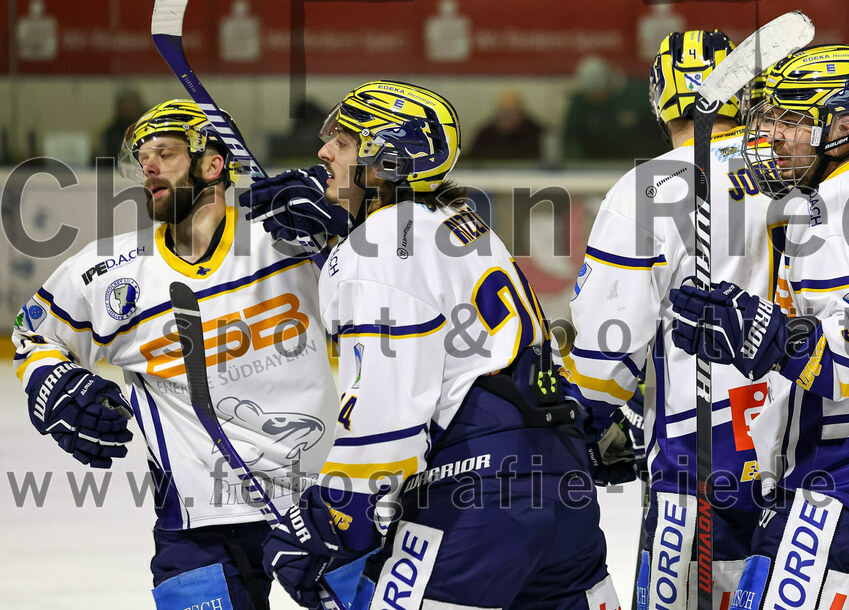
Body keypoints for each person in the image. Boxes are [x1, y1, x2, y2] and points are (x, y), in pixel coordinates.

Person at [251, 80, 620, 609]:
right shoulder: (461, 222)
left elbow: (387, 404)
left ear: (384, 156)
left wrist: (337, 514)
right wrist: (340, 235)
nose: (323, 151)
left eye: (344, 142)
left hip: (478, 498)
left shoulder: (375, 248)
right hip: (562, 482)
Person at [12, 99, 341, 610]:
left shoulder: (289, 237)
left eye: (164, 152)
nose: (148, 166)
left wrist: (344, 226)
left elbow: (399, 293)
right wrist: (50, 383)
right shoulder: (111, 272)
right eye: (142, 157)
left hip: (324, 502)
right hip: (197, 524)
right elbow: (33, 335)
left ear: (213, 164)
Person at [673, 45, 849, 608]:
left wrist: (767, 335)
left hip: (846, 482)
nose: (771, 135)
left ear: (846, 125)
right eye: (768, 117)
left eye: (792, 120)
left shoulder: (833, 206)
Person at [562, 30, 776, 608]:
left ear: (661, 99)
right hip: (800, 451)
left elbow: (613, 332)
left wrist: (587, 419)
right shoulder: (800, 169)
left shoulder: (652, 186)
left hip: (700, 446)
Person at [562, 55, 663, 162]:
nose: (597, 97)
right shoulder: (579, 106)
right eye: (592, 94)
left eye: (599, 92)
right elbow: (571, 140)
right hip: (592, 164)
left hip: (625, 162)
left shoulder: (632, 100)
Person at [466, 89, 544, 161]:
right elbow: (471, 162)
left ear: (521, 112)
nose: (507, 116)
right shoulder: (485, 136)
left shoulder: (538, 135)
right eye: (504, 112)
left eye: (512, 111)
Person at [96, 86, 143, 160]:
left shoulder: (147, 129)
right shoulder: (112, 133)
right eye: (125, 107)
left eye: (132, 107)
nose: (128, 112)